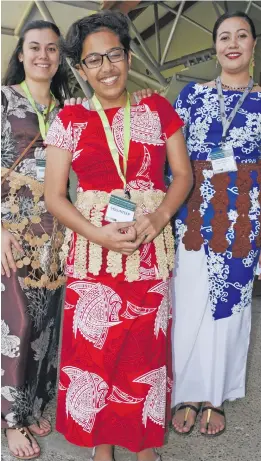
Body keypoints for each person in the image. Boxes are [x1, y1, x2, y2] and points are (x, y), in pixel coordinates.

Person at [44, 11, 192, 461]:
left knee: (144, 352)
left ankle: (143, 443)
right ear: (81, 68)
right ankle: (101, 447)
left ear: (127, 58)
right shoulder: (68, 119)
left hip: (150, 248)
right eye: (94, 60)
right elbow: (55, 196)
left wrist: (161, 215)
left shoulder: (157, 108)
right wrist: (100, 237)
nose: (106, 68)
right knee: (96, 354)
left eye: (114, 55)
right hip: (95, 253)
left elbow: (183, 175)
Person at [169, 11, 261, 437]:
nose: (233, 43)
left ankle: (215, 396)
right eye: (225, 36)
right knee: (188, 303)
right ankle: (186, 390)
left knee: (229, 309)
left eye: (242, 35)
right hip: (191, 214)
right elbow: (170, 159)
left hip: (243, 217)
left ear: (253, 45)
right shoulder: (191, 96)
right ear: (215, 47)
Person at [1, 20, 71, 460]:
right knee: (16, 323)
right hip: (9, 228)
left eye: (51, 49)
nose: (43, 55)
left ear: (60, 57)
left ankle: (31, 406)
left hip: (53, 231)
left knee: (45, 325)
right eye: (34, 47)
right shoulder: (4, 100)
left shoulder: (68, 111)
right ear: (21, 53)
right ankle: (9, 419)